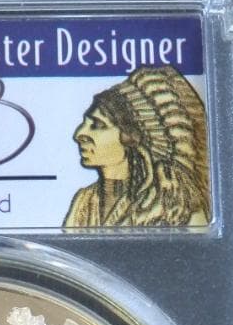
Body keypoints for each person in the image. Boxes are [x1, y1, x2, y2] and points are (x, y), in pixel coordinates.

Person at [64, 65, 210, 228]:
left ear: (131, 138)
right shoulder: (84, 201)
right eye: (85, 123)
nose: (79, 134)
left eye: (98, 125)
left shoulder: (175, 204)